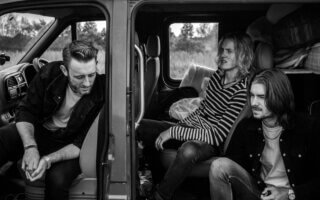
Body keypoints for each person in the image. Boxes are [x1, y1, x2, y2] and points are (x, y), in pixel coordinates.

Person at [137, 32, 254, 200]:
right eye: (221, 50)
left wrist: (173, 133)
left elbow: (217, 135)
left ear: (242, 55)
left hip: (210, 140)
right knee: (142, 126)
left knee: (188, 150)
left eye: (229, 51)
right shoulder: (216, 77)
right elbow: (202, 110)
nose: (222, 54)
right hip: (194, 127)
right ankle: (144, 178)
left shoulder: (241, 91)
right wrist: (178, 127)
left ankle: (160, 195)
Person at [0, 40, 105, 200]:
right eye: (79, 77)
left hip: (71, 144)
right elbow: (26, 110)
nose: (87, 83)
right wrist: (30, 147)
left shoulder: (101, 91)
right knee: (3, 137)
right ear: (64, 70)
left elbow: (81, 142)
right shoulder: (49, 73)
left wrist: (48, 159)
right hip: (40, 133)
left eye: (91, 74)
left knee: (57, 179)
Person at [209, 69, 320, 200]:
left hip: (292, 196)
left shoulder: (308, 127)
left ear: (279, 96)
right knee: (219, 165)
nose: (254, 103)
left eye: (261, 97)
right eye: (251, 95)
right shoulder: (246, 127)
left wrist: (289, 193)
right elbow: (233, 167)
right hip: (260, 193)